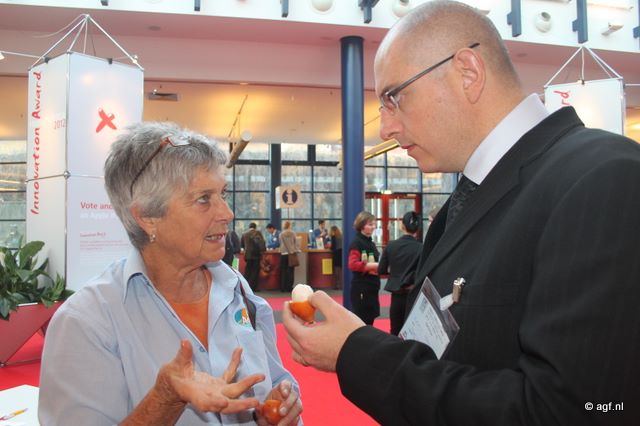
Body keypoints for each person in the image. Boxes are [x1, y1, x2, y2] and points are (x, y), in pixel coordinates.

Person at [283, 1, 640, 425]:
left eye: (394, 98)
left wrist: (356, 351)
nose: (385, 128)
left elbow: (571, 410)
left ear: (467, 72)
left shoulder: (604, 177)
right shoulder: (465, 200)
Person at [39, 122, 302, 425]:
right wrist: (164, 399)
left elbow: (276, 381)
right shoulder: (87, 322)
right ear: (147, 217)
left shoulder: (236, 288)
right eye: (204, 199)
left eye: (223, 194)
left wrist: (275, 410)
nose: (227, 213)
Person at [377, 211, 422, 335]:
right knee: (412, 331)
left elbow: (381, 270)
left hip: (396, 295)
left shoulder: (391, 246)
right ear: (417, 229)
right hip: (413, 294)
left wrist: (394, 273)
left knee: (395, 331)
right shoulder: (421, 248)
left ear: (402, 226)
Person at [346, 211, 380, 325]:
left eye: (374, 224)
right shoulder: (357, 243)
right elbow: (352, 264)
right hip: (362, 288)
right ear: (361, 225)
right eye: (370, 224)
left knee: (370, 320)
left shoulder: (370, 243)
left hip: (371, 287)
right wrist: (375, 266)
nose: (373, 227)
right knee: (362, 321)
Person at [241, 222, 266, 292]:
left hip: (248, 255)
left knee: (247, 272)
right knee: (255, 272)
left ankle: (245, 288)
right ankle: (253, 288)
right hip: (256, 255)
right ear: (255, 227)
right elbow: (262, 243)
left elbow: (242, 245)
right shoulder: (258, 233)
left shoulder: (244, 234)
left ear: (249, 227)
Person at [279, 221, 300, 293]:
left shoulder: (281, 234)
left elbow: (280, 243)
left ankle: (283, 287)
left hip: (283, 253)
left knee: (283, 271)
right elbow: (296, 243)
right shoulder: (293, 233)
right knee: (291, 271)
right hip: (291, 254)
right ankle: (289, 287)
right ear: (289, 226)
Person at [329, 225, 343, 289]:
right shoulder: (341, 236)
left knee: (336, 270)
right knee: (341, 270)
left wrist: (329, 247)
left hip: (336, 254)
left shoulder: (333, 237)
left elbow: (333, 247)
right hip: (341, 253)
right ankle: (342, 285)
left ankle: (337, 285)